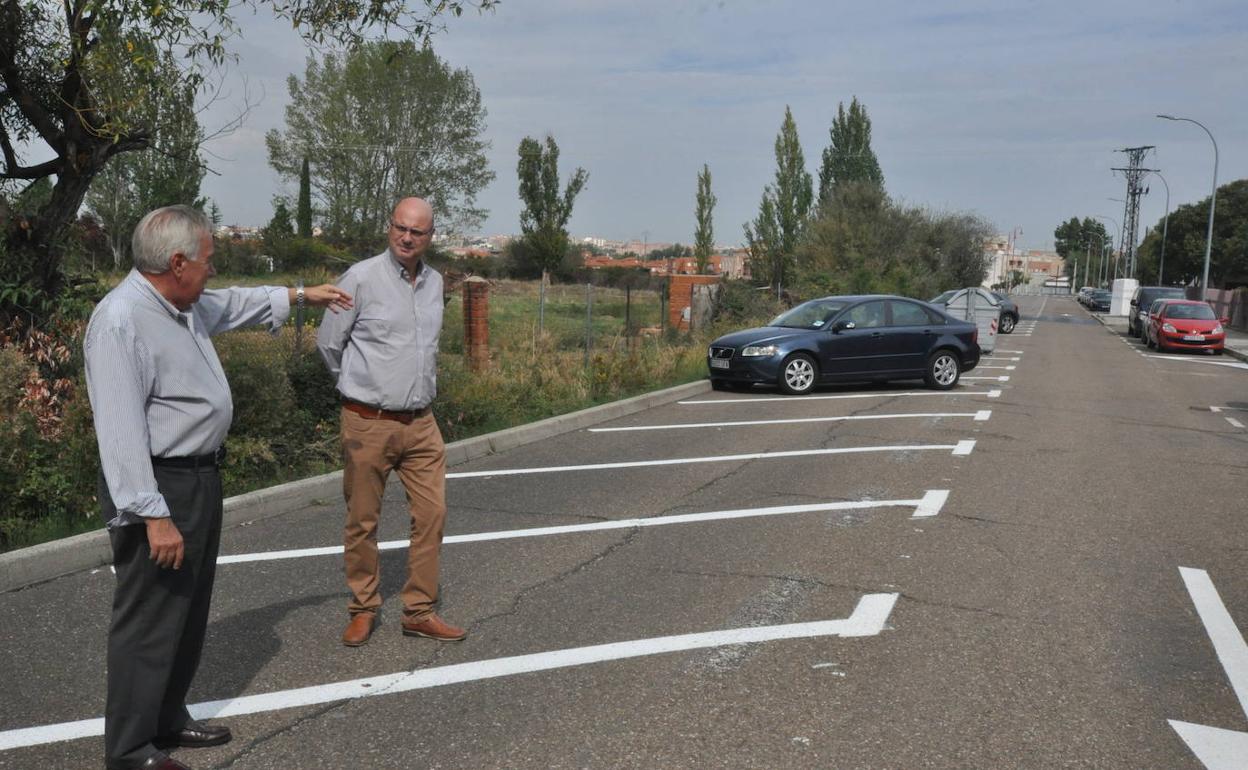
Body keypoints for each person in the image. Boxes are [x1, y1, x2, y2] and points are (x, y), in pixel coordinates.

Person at [85, 205, 352, 770]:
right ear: (177, 262)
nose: (212, 272)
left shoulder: (181, 303)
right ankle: (131, 751)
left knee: (187, 608)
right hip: (159, 485)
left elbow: (234, 303)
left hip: (199, 478)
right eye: (207, 261)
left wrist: (303, 295)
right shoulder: (121, 320)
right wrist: (150, 514)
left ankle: (166, 717)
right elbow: (119, 430)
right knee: (149, 617)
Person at [317, 197, 465, 647]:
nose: (406, 237)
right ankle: (363, 608)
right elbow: (328, 344)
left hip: (421, 422)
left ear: (429, 237)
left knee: (432, 514)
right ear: (389, 227)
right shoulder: (360, 278)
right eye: (400, 227)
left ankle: (419, 610)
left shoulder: (435, 283)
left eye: (416, 232)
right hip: (368, 421)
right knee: (363, 520)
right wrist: (360, 391)